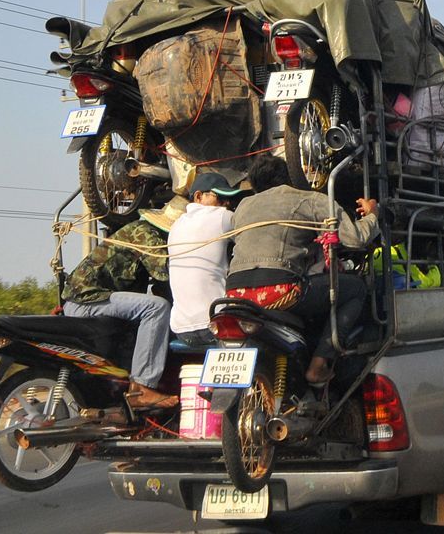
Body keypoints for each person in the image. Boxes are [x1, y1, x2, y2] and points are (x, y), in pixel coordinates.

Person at [228, 154, 380, 385]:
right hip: (279, 291)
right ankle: (318, 365)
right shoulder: (308, 199)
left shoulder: (242, 207)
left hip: (235, 296)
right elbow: (355, 239)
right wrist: (371, 216)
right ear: (290, 176)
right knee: (356, 288)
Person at [61, 197, 187, 409]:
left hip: (84, 300)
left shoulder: (139, 230)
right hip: (87, 300)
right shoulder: (147, 235)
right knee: (156, 308)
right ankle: (142, 388)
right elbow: (168, 277)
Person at [168, 172, 243, 347]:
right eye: (221, 197)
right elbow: (252, 236)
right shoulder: (221, 216)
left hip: (181, 330)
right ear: (199, 196)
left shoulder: (175, 226)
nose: (226, 204)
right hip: (215, 324)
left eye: (228, 200)